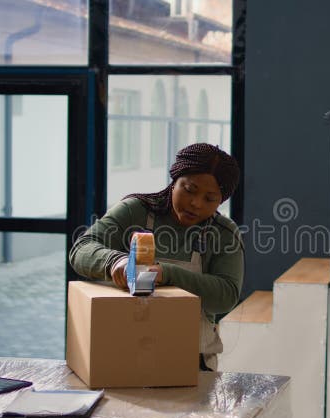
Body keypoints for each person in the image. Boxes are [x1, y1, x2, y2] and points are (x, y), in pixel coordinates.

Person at [69, 143, 243, 372]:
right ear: (175, 180)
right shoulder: (135, 211)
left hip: (192, 361)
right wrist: (115, 262)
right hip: (120, 351)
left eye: (209, 199)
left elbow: (226, 295)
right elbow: (81, 249)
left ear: (221, 201)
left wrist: (167, 273)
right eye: (189, 190)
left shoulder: (223, 233)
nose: (195, 203)